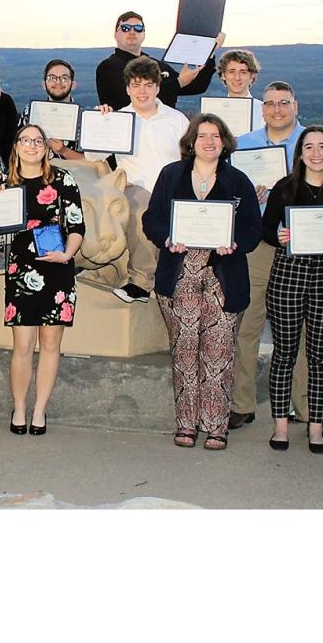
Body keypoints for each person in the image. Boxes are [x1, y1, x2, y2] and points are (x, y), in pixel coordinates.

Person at [142, 114, 263, 450]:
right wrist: (167, 238)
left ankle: (216, 426)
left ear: (224, 142)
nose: (209, 141)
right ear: (191, 142)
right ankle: (186, 424)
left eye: (216, 136)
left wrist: (235, 242)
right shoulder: (171, 176)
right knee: (184, 353)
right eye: (203, 135)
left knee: (219, 354)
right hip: (180, 274)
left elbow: (253, 228)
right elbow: (151, 218)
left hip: (222, 276)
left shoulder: (238, 181)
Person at [260, 126, 323, 453]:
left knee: (320, 357)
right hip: (288, 275)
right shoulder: (285, 188)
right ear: (299, 154)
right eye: (309, 147)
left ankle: (316, 426)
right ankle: (280, 426)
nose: (316, 154)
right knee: (284, 354)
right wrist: (280, 237)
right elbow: (267, 231)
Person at [230, 80, 307, 429]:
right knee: (247, 324)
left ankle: (305, 406)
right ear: (262, 108)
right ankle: (242, 403)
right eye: (270, 103)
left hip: (299, 243)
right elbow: (228, 196)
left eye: (284, 103)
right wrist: (249, 195)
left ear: (296, 106)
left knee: (302, 329)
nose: (277, 109)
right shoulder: (243, 146)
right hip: (257, 243)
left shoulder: (313, 144)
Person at [3, 123, 86, 435]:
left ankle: (40, 411)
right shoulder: (5, 183)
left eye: (38, 140)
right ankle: (20, 409)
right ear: (16, 145)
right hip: (21, 271)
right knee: (22, 344)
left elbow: (77, 225)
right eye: (25, 140)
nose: (32, 146)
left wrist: (67, 254)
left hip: (57, 269)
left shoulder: (63, 179)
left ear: (46, 147)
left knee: (50, 344)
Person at [95, 56, 190, 305]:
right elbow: (91, 155)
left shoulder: (177, 120)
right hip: (134, 188)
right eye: (136, 85)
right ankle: (140, 283)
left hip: (172, 191)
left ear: (158, 87)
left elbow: (190, 160)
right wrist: (99, 122)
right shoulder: (116, 121)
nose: (142, 91)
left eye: (148, 85)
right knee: (143, 209)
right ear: (127, 88)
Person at [94, 10, 224, 110]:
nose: (132, 32)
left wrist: (210, 51)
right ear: (116, 34)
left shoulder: (156, 65)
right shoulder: (107, 67)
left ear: (144, 34)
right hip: (127, 134)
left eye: (138, 28)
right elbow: (130, 98)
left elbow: (195, 87)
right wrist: (177, 83)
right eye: (125, 28)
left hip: (162, 132)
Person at [31, 58, 86, 161]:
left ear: (73, 85)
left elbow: (91, 162)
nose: (58, 82)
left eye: (64, 78)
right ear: (44, 84)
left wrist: (64, 151)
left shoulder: (84, 118)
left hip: (74, 175)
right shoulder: (31, 112)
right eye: (52, 78)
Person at [215, 48, 265, 131]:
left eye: (243, 72)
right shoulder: (213, 111)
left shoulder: (264, 111)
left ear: (252, 76)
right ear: (223, 75)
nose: (237, 78)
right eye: (232, 71)